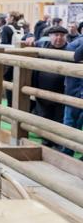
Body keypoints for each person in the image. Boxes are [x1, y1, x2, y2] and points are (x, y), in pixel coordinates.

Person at [33, 26, 70, 154]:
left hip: (63, 92)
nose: (59, 38)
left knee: (59, 118)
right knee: (44, 116)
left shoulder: (70, 49)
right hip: (42, 89)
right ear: (50, 36)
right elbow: (29, 41)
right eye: (56, 35)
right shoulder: (42, 46)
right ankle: (46, 140)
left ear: (66, 37)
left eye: (61, 35)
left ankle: (58, 142)